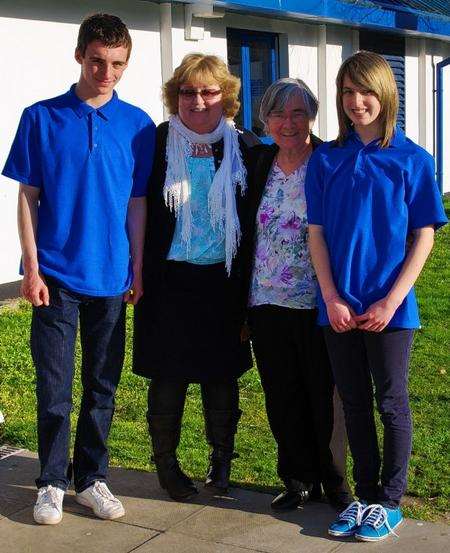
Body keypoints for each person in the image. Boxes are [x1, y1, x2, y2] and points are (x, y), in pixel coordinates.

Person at [2, 14, 155, 525]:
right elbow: (27, 198)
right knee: (53, 384)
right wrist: (30, 267)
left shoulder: (137, 127)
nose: (106, 72)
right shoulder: (41, 118)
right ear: (78, 56)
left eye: (117, 64)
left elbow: (137, 204)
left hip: (111, 279)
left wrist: (137, 265)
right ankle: (50, 481)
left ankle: (91, 478)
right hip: (57, 278)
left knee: (101, 386)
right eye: (96, 61)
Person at [305, 51, 447, 541]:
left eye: (365, 91)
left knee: (391, 401)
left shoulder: (412, 159)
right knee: (354, 403)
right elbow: (316, 234)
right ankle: (363, 497)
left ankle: (390, 501)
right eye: (346, 92)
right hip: (338, 307)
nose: (356, 101)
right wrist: (331, 297)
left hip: (392, 309)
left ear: (386, 94)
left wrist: (389, 302)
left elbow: (424, 236)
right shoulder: (326, 157)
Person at [133, 54, 259, 500]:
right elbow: (133, 205)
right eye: (188, 92)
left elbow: (298, 154)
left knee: (221, 376)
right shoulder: (155, 142)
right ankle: (166, 467)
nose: (199, 100)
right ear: (175, 97)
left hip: (224, 282)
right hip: (167, 282)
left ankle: (221, 464)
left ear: (225, 97)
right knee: (168, 377)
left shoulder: (246, 148)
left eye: (209, 91)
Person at [240, 78, 352, 512]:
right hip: (265, 300)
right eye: (278, 114)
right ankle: (298, 478)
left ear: (312, 116)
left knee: (326, 394)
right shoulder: (257, 161)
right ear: (265, 119)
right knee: (282, 394)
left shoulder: (329, 160)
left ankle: (336, 482)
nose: (288, 123)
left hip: (319, 300)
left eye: (298, 113)